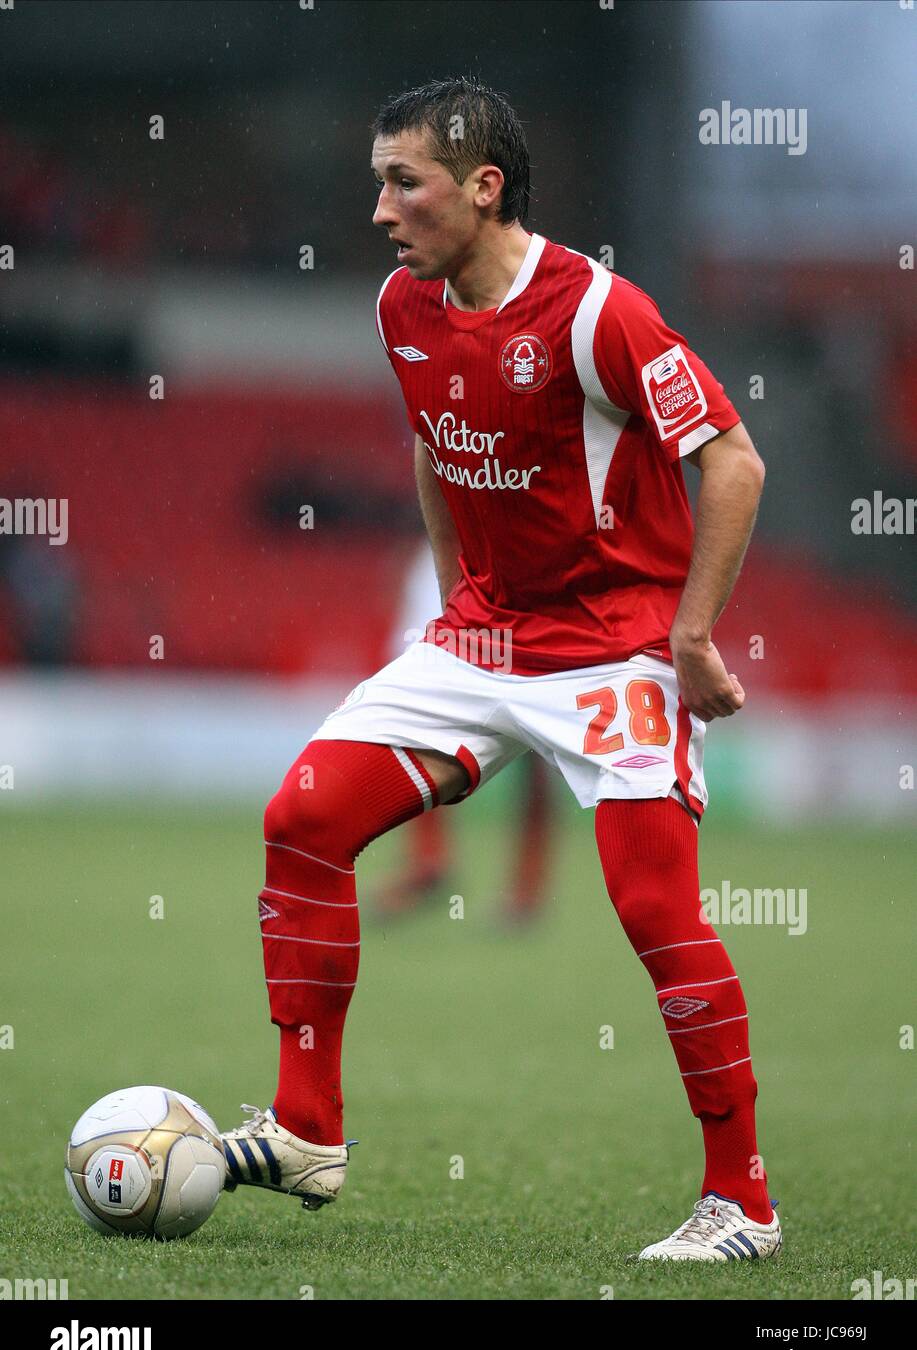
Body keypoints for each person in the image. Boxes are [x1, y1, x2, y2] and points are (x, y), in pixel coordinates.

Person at [222, 77, 777, 1262]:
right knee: (303, 816)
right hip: (482, 638)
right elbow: (433, 444)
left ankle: (741, 1203)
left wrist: (689, 637)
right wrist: (449, 599)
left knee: (650, 907)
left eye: (401, 182)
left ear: (480, 188)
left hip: (616, 643)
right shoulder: (402, 305)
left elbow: (731, 460)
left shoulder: (596, 313)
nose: (378, 209)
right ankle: (306, 1124)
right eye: (378, 181)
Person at [373, 537, 552, 923]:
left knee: (531, 772)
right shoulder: (437, 554)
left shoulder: (437, 552)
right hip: (500, 670)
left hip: (509, 666)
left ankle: (447, 866)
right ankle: (443, 865)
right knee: (532, 773)